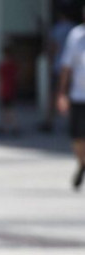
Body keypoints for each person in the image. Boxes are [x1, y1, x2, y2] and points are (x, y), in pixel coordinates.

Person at [58, 7, 85, 191]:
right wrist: (62, 94)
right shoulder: (76, 36)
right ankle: (82, 163)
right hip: (78, 95)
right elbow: (66, 67)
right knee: (77, 138)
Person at [44, 9, 77, 132]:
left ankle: (49, 121)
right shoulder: (74, 29)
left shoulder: (57, 29)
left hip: (59, 66)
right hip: (73, 69)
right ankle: (73, 123)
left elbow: (53, 48)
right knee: (71, 95)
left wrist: (50, 62)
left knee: (54, 94)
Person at [0, 44, 19, 137]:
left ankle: (10, 127)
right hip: (11, 89)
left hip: (5, 89)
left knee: (7, 110)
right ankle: (7, 126)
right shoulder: (13, 64)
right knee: (8, 109)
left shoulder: (3, 65)